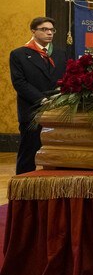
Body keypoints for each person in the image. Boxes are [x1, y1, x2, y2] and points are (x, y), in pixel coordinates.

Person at [9, 17, 68, 174]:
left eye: (52, 30)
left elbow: (67, 80)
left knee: (59, 155)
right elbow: (20, 83)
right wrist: (43, 100)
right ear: (33, 31)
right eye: (44, 29)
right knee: (29, 153)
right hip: (32, 111)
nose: (49, 33)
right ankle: (23, 193)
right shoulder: (19, 54)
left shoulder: (60, 54)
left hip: (58, 111)